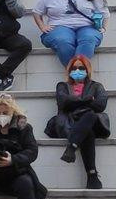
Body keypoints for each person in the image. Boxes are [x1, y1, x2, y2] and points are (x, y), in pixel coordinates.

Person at [47, 56, 109, 190]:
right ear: (69, 71)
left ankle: (71, 148)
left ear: (87, 70)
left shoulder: (96, 86)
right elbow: (63, 102)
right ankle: (92, 175)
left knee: (90, 116)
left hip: (90, 120)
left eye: (81, 68)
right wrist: (87, 100)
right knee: (88, 130)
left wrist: (75, 103)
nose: (77, 70)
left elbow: (100, 104)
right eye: (74, 68)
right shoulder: (63, 85)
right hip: (70, 122)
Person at [33, 0, 109, 66]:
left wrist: (103, 28)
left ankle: (77, 77)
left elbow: (105, 13)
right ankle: (78, 77)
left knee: (88, 39)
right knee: (63, 40)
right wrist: (42, 26)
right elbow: (37, 12)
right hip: (59, 26)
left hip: (86, 26)